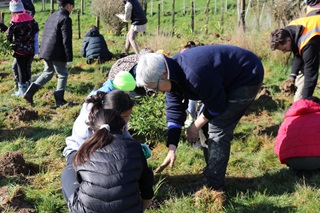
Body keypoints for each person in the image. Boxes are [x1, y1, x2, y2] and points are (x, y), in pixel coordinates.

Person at [135, 45, 264, 190]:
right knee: (204, 125)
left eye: (156, 87)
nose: (157, 92)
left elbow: (217, 105)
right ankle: (211, 172)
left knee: (217, 130)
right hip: (222, 80)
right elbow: (174, 112)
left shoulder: (194, 74)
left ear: (164, 73)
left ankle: (213, 184)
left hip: (246, 75)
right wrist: (172, 148)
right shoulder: (172, 75)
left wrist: (195, 126)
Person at [67, 108, 154, 212]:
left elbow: (80, 180)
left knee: (67, 173)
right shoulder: (134, 146)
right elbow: (146, 184)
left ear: (94, 131)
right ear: (123, 129)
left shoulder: (84, 149)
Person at [23, 0, 74, 107]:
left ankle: (29, 93)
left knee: (48, 72)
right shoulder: (65, 19)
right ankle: (59, 100)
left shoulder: (52, 16)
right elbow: (66, 40)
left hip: (46, 50)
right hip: (56, 51)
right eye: (72, 7)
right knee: (62, 73)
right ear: (68, 5)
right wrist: (69, 58)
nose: (72, 9)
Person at [270, 15, 320, 101]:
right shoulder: (291, 29)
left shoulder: (307, 42)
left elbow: (311, 73)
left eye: (284, 49)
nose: (284, 52)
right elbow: (298, 53)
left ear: (288, 40)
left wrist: (305, 100)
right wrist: (292, 76)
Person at [275, 97, 320, 172]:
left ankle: (297, 169)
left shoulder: (288, 119)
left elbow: (279, 143)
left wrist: (285, 159)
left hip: (292, 160)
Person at [6, 0, 39, 96]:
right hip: (31, 49)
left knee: (20, 69)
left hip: (19, 50)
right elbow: (36, 29)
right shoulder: (31, 19)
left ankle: (21, 90)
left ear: (13, 11)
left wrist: (10, 43)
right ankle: (28, 87)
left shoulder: (14, 21)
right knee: (27, 67)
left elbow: (9, 35)